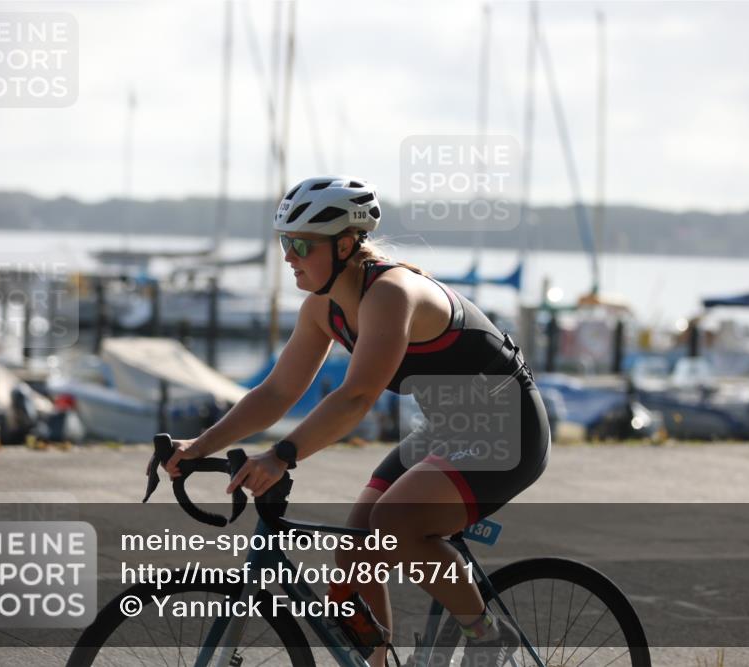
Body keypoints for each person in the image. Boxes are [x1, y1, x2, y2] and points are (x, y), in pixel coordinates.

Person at [158, 176, 551, 667]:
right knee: (353, 554)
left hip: (507, 430)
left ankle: (488, 636)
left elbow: (357, 396)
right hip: (449, 430)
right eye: (285, 242)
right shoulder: (323, 308)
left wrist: (282, 455)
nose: (288, 256)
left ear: (345, 245)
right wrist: (199, 445)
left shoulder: (391, 293)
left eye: (301, 244)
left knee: (394, 522)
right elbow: (278, 392)